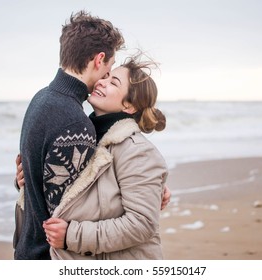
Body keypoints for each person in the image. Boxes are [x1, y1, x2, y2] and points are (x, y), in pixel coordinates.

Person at [17, 54, 169, 259]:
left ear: (129, 106)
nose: (101, 82)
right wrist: (30, 177)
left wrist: (72, 235)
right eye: (106, 76)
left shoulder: (137, 151)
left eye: (113, 82)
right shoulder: (85, 137)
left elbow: (142, 224)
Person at [13, 10, 125, 260]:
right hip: (48, 258)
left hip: (28, 249)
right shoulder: (75, 123)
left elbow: (37, 180)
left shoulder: (41, 98)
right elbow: (69, 212)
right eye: (110, 65)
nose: (108, 74)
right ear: (99, 59)